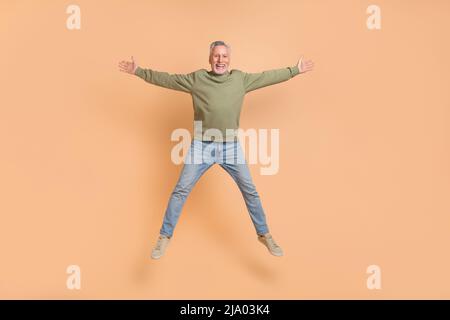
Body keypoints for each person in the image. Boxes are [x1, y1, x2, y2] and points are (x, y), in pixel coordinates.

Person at [118, 41, 314, 259]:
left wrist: (294, 70)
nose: (220, 60)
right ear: (210, 59)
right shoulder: (197, 79)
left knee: (250, 190)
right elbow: (168, 79)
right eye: (216, 56)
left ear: (229, 59)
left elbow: (267, 77)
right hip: (202, 145)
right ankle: (164, 237)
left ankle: (264, 234)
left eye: (224, 56)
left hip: (230, 146)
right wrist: (138, 71)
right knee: (181, 190)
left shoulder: (240, 79)